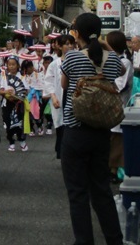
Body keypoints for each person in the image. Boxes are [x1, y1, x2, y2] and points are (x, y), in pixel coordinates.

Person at [60, 13, 124, 245]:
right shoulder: (113, 59)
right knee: (102, 190)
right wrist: (104, 43)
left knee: (78, 192)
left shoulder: (72, 57)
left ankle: (84, 241)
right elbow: (120, 72)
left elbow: (64, 85)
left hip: (76, 130)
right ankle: (114, 240)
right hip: (101, 132)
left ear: (77, 33)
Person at [106, 31, 134, 183]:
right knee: (111, 140)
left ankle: (114, 171)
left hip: (119, 107)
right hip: (108, 108)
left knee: (117, 142)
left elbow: (120, 86)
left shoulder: (126, 62)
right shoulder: (112, 59)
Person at [0, 56, 28, 152]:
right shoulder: (4, 76)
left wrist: (17, 95)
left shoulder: (22, 77)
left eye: (13, 64)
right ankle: (11, 141)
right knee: (8, 122)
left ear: (18, 65)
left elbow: (26, 91)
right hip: (7, 103)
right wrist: (6, 92)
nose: (11, 66)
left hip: (18, 103)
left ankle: (22, 141)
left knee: (19, 123)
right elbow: (0, 91)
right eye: (9, 64)